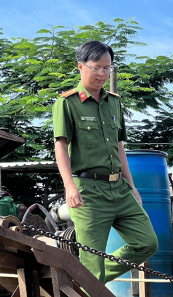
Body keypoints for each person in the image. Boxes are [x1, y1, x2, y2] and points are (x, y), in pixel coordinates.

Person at [52, 41, 158, 284]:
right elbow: (60, 146)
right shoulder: (67, 103)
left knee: (147, 244)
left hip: (119, 189)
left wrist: (131, 186)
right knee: (92, 259)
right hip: (88, 192)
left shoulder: (114, 102)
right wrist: (69, 186)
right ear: (81, 66)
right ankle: (92, 293)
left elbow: (120, 147)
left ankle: (90, 280)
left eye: (107, 68)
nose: (102, 74)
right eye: (97, 68)